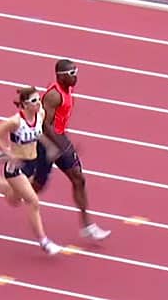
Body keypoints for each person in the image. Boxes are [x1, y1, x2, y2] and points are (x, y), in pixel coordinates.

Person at [0, 86, 62, 255]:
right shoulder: (15, 122)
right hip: (15, 168)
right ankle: (44, 242)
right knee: (33, 201)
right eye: (34, 101)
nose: (38, 103)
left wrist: (49, 146)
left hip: (32, 164)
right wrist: (8, 154)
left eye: (39, 99)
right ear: (24, 105)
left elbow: (38, 134)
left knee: (13, 200)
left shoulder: (41, 115)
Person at [32, 59, 111, 241]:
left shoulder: (67, 89)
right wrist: (63, 145)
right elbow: (44, 125)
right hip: (47, 144)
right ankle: (12, 186)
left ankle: (88, 227)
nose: (76, 77)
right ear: (60, 76)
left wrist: (64, 144)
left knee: (78, 178)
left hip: (60, 140)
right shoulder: (54, 96)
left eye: (76, 72)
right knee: (37, 187)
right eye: (72, 74)